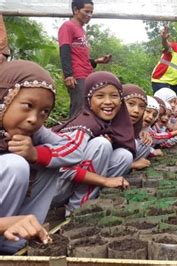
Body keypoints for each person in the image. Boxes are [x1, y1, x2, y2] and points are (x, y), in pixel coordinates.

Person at [0, 60, 84, 253]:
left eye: (44, 112)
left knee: (49, 163)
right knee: (15, 165)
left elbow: (75, 150)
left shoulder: (33, 132)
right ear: (4, 98)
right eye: (27, 106)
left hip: (9, 226)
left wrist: (36, 154)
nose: (33, 119)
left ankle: (16, 241)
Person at [52, 71, 133, 212]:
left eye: (114, 96)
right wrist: (105, 181)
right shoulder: (83, 126)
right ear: (88, 99)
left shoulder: (112, 125)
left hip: (76, 184)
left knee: (124, 156)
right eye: (100, 96)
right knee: (101, 144)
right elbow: (61, 168)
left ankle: (92, 201)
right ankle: (76, 211)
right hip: (54, 189)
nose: (108, 102)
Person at [58, 0, 112, 118]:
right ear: (76, 10)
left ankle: (84, 134)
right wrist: (68, 75)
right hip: (77, 76)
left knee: (88, 107)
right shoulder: (68, 26)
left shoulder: (81, 30)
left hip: (87, 74)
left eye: (91, 12)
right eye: (86, 11)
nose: (89, 15)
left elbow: (80, 56)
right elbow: (64, 50)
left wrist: (97, 61)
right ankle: (71, 133)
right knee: (79, 108)